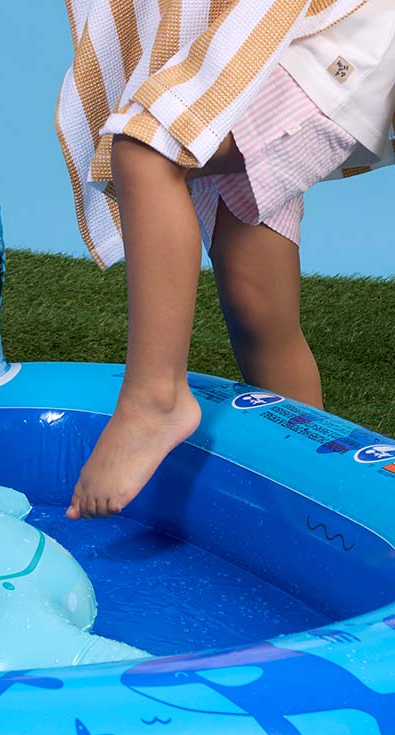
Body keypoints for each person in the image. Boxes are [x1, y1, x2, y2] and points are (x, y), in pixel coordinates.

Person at [56, 0, 395, 520]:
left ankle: (154, 401)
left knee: (151, 147)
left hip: (345, 29)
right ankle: (322, 512)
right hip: (274, 31)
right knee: (254, 295)